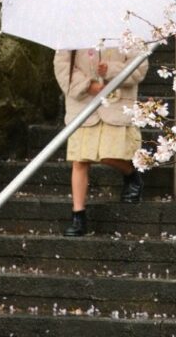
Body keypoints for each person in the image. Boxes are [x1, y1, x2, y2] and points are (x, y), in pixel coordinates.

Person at [54, 46, 149, 237]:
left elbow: (139, 66)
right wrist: (88, 85)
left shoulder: (126, 29)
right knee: (80, 161)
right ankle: (78, 215)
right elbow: (62, 66)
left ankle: (131, 173)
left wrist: (111, 71)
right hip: (83, 107)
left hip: (115, 104)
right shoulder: (72, 34)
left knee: (107, 155)